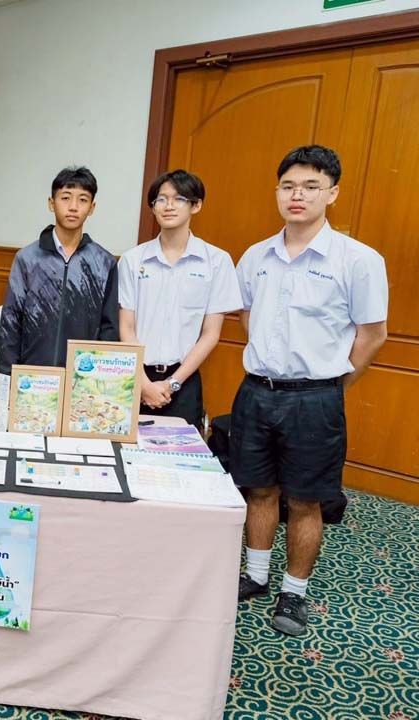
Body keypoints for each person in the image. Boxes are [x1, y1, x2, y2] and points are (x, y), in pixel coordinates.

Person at [233, 146, 388, 637]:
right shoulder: (256, 256)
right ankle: (257, 574)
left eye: (310, 186)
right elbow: (247, 316)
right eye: (288, 186)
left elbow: (372, 335)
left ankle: (293, 592)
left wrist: (332, 386)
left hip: (316, 399)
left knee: (305, 499)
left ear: (332, 193)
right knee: (258, 489)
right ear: (277, 191)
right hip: (257, 391)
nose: (297, 195)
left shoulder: (359, 260)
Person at [118, 170, 242, 429]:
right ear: (153, 207)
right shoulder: (132, 260)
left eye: (179, 199)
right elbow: (126, 327)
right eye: (161, 199)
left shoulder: (216, 261)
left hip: (183, 380)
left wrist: (172, 383)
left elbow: (211, 334)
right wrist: (144, 384)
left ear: (196, 205)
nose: (169, 206)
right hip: (135, 377)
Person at [0, 166, 119, 374]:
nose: (73, 207)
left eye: (82, 200)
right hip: (32, 378)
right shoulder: (27, 259)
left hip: (80, 378)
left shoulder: (104, 263)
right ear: (51, 203)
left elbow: (109, 329)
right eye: (65, 198)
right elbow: (11, 321)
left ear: (92, 208)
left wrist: (97, 379)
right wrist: (8, 376)